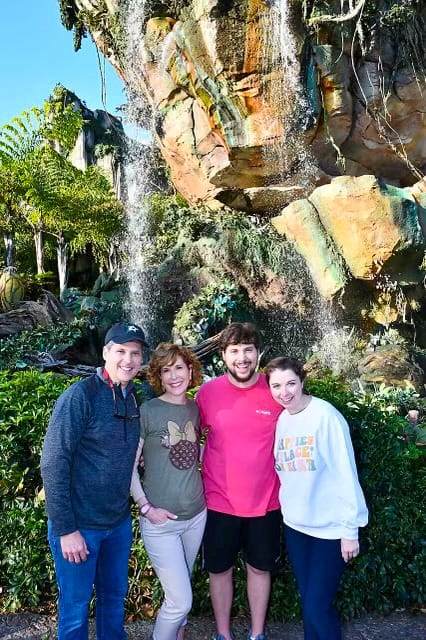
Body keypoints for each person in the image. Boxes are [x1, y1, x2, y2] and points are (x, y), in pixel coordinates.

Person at [41, 322, 148, 640]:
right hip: (79, 527)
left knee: (114, 602)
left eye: (135, 353)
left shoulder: (132, 398)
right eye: (120, 351)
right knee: (75, 610)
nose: (127, 360)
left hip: (117, 524)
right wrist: (66, 529)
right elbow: (53, 463)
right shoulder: (80, 396)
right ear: (105, 353)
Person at [265, 356, 369, 640]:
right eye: (276, 386)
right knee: (309, 604)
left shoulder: (326, 416)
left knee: (316, 606)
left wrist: (350, 530)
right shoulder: (283, 420)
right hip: (297, 527)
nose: (284, 392)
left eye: (290, 383)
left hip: (331, 530)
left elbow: (345, 473)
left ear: (302, 382)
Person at [196, 323, 282, 640]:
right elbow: (188, 438)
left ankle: (257, 634)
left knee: (260, 568)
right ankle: (223, 634)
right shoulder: (208, 393)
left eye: (248, 350)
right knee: (220, 571)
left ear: (259, 353)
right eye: (234, 351)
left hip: (266, 503)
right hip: (219, 502)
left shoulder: (275, 390)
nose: (242, 358)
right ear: (223, 355)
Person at [131, 343, 206, 640]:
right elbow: (129, 467)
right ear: (158, 377)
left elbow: (194, 453)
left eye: (179, 368)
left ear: (190, 371)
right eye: (166, 370)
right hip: (161, 523)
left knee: (181, 590)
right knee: (180, 601)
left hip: (196, 516)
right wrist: (146, 507)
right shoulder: (147, 411)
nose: (174, 376)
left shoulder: (195, 408)